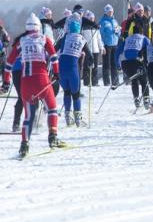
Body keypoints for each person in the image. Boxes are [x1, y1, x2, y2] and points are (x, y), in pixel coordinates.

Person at [2, 13, 65, 158]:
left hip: (26, 82)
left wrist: (6, 81)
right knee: (52, 108)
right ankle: (53, 136)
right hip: (42, 80)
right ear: (39, 28)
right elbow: (54, 57)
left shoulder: (21, 41)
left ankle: (24, 144)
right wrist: (56, 74)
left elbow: (8, 63)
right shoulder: (45, 39)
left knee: (28, 116)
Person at [55, 19, 93, 127]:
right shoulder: (82, 38)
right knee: (75, 94)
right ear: (79, 30)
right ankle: (78, 119)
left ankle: (68, 117)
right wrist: (90, 63)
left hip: (61, 67)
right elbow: (90, 56)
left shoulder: (65, 37)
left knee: (66, 92)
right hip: (72, 68)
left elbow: (53, 49)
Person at [115, 23, 151, 109]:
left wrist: (118, 65)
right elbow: (150, 49)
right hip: (137, 62)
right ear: (141, 31)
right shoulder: (144, 38)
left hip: (126, 63)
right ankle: (146, 99)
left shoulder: (127, 39)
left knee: (134, 80)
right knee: (143, 80)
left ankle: (136, 98)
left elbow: (117, 52)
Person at [99, 4, 121, 87]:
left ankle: (115, 81)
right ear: (106, 12)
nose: (110, 13)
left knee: (114, 63)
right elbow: (100, 34)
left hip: (114, 44)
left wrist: (118, 31)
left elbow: (119, 33)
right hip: (106, 45)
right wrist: (102, 46)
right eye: (109, 12)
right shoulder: (103, 22)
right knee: (106, 64)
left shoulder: (115, 21)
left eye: (111, 11)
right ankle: (106, 82)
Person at [82, 11, 104, 86]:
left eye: (93, 18)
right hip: (87, 50)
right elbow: (82, 39)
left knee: (95, 67)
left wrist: (102, 47)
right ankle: (86, 82)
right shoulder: (84, 28)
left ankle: (95, 82)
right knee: (86, 67)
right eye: (90, 18)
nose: (92, 19)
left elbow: (99, 39)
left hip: (95, 50)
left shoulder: (96, 28)